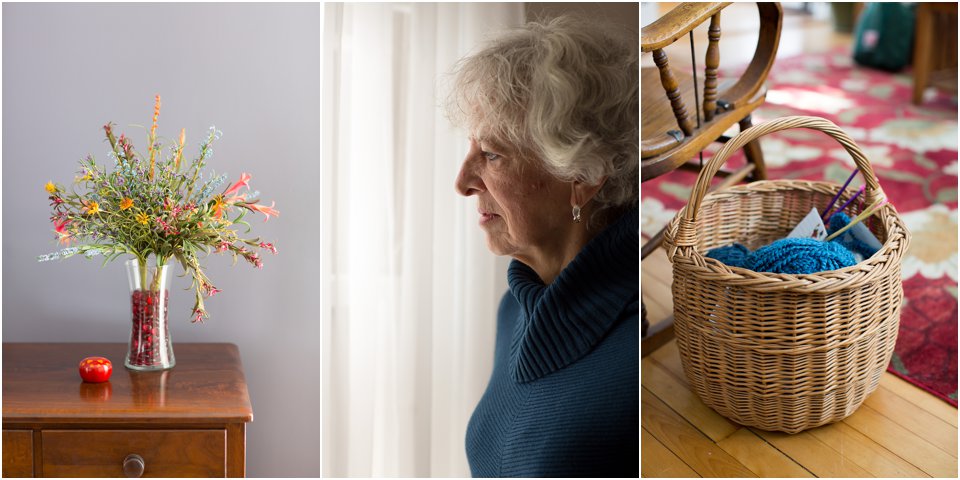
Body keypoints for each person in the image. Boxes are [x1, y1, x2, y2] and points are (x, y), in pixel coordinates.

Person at [446, 15, 638, 477]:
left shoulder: (635, 354)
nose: (463, 182)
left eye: (491, 154)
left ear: (582, 177)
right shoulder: (516, 307)